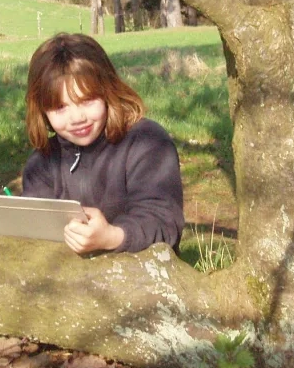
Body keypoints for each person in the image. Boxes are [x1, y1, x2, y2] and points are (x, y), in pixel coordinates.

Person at [21, 33, 184, 255]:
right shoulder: (41, 163)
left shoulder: (147, 142)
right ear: (41, 111)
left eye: (87, 100)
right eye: (60, 107)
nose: (77, 118)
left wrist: (111, 237)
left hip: (142, 279)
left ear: (109, 91)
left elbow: (164, 220)